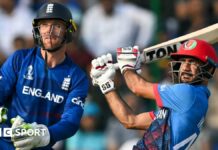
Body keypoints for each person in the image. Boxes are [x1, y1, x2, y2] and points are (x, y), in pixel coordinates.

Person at [90, 39, 218, 149]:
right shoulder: (180, 107)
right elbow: (130, 121)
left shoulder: (189, 93)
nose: (185, 67)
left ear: (209, 69)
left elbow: (137, 87)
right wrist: (106, 84)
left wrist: (126, 65)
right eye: (184, 61)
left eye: (193, 62)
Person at [0, 2, 89, 150]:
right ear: (37, 30)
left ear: (68, 31)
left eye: (57, 25)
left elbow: (71, 122)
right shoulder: (19, 59)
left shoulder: (77, 77)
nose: (49, 31)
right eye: (44, 25)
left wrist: (45, 134)